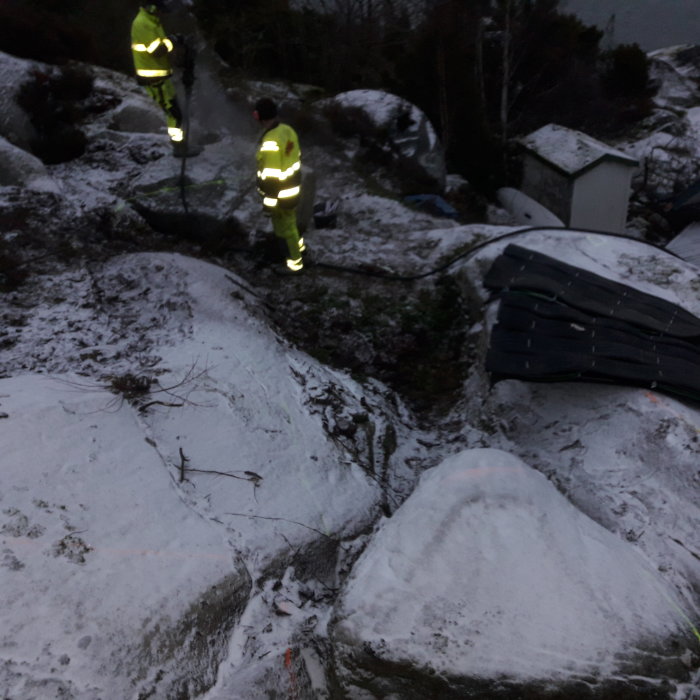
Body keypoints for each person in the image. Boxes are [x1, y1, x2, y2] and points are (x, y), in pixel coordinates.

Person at [130, 1, 197, 157]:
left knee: (175, 112)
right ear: (152, 7)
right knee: (174, 114)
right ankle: (179, 148)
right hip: (153, 79)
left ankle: (181, 145)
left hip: (161, 77)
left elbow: (160, 43)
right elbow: (157, 50)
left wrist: (175, 40)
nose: (163, 13)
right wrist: (172, 41)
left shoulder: (152, 21)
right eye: (161, 10)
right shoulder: (143, 23)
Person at [253, 98, 306, 273]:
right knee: (291, 224)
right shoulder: (287, 130)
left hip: (280, 195)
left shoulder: (270, 142)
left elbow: (272, 177)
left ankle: (294, 264)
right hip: (293, 187)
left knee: (284, 230)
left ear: (259, 117)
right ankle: (299, 249)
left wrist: (269, 204)